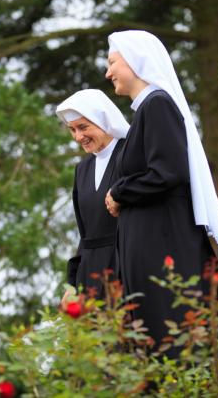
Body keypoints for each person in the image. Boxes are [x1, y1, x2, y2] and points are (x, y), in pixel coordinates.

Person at [103, 30, 218, 348]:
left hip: (163, 242)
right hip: (150, 242)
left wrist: (120, 191)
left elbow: (167, 171)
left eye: (112, 62)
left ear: (136, 62)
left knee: (171, 335)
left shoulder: (157, 105)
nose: (108, 72)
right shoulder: (145, 111)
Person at [56, 89, 130, 298]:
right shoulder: (82, 169)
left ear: (104, 120)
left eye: (83, 127)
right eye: (72, 130)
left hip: (126, 266)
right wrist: (73, 283)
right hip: (91, 275)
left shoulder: (130, 153)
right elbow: (85, 233)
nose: (79, 137)